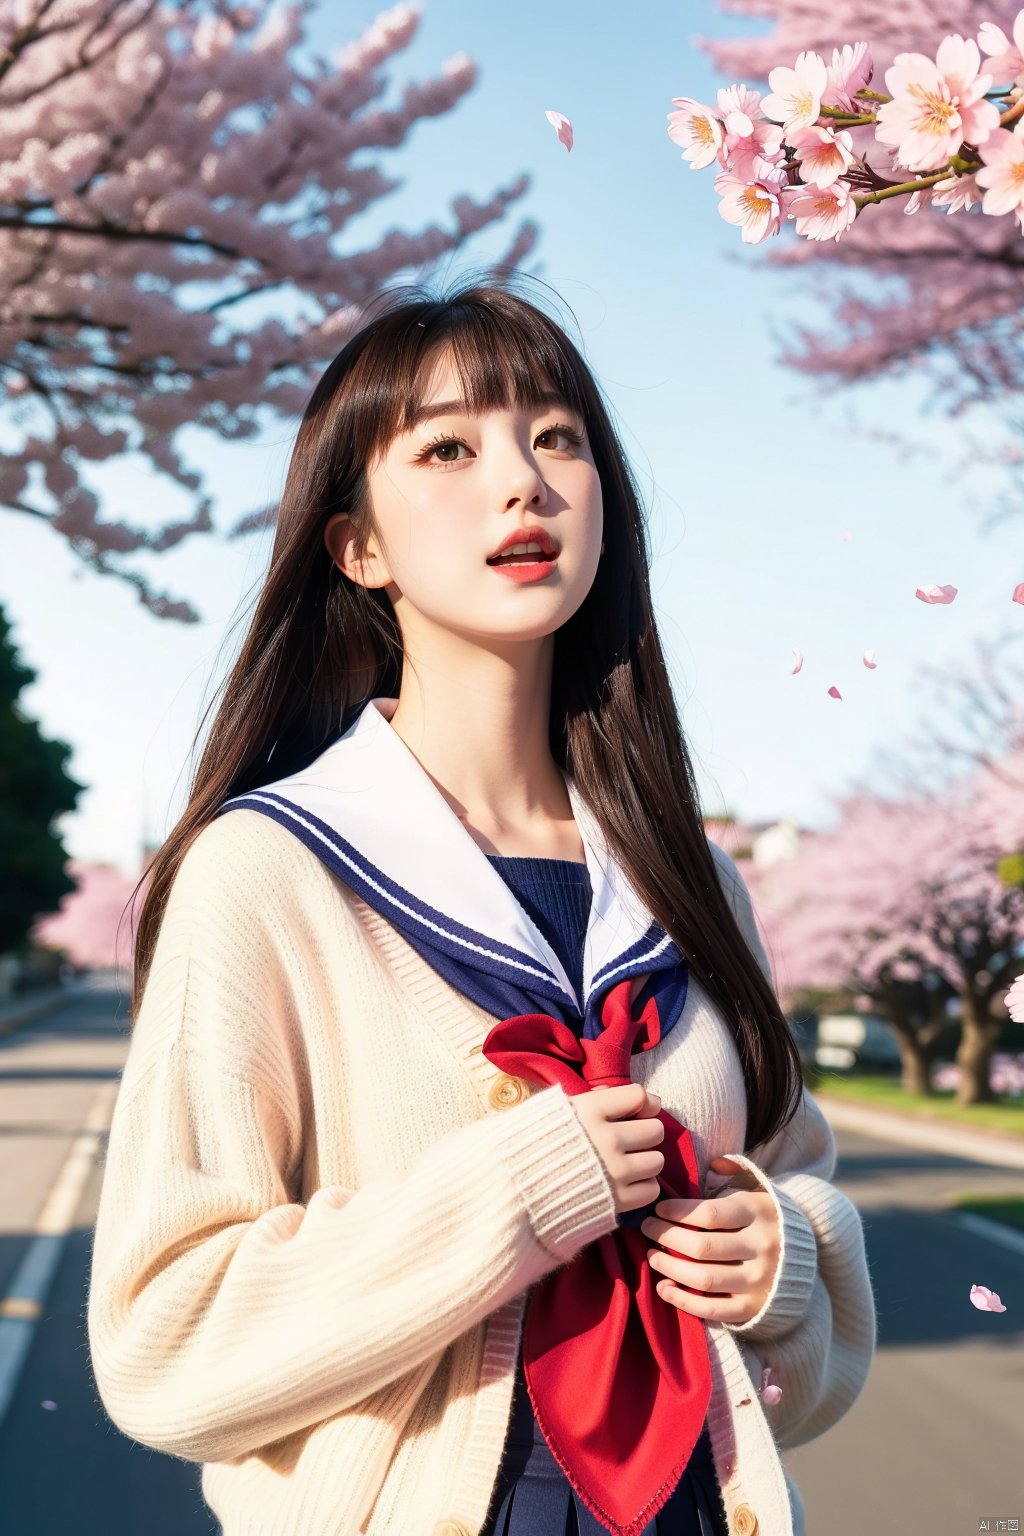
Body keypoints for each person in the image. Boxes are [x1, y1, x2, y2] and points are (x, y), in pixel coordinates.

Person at [87, 275, 876, 1536]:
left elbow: (798, 1185)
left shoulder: (690, 880)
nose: (523, 484)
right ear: (359, 548)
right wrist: (512, 1194)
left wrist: (779, 1252)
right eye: (448, 448)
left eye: (556, 439)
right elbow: (165, 1334)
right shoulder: (271, 872)